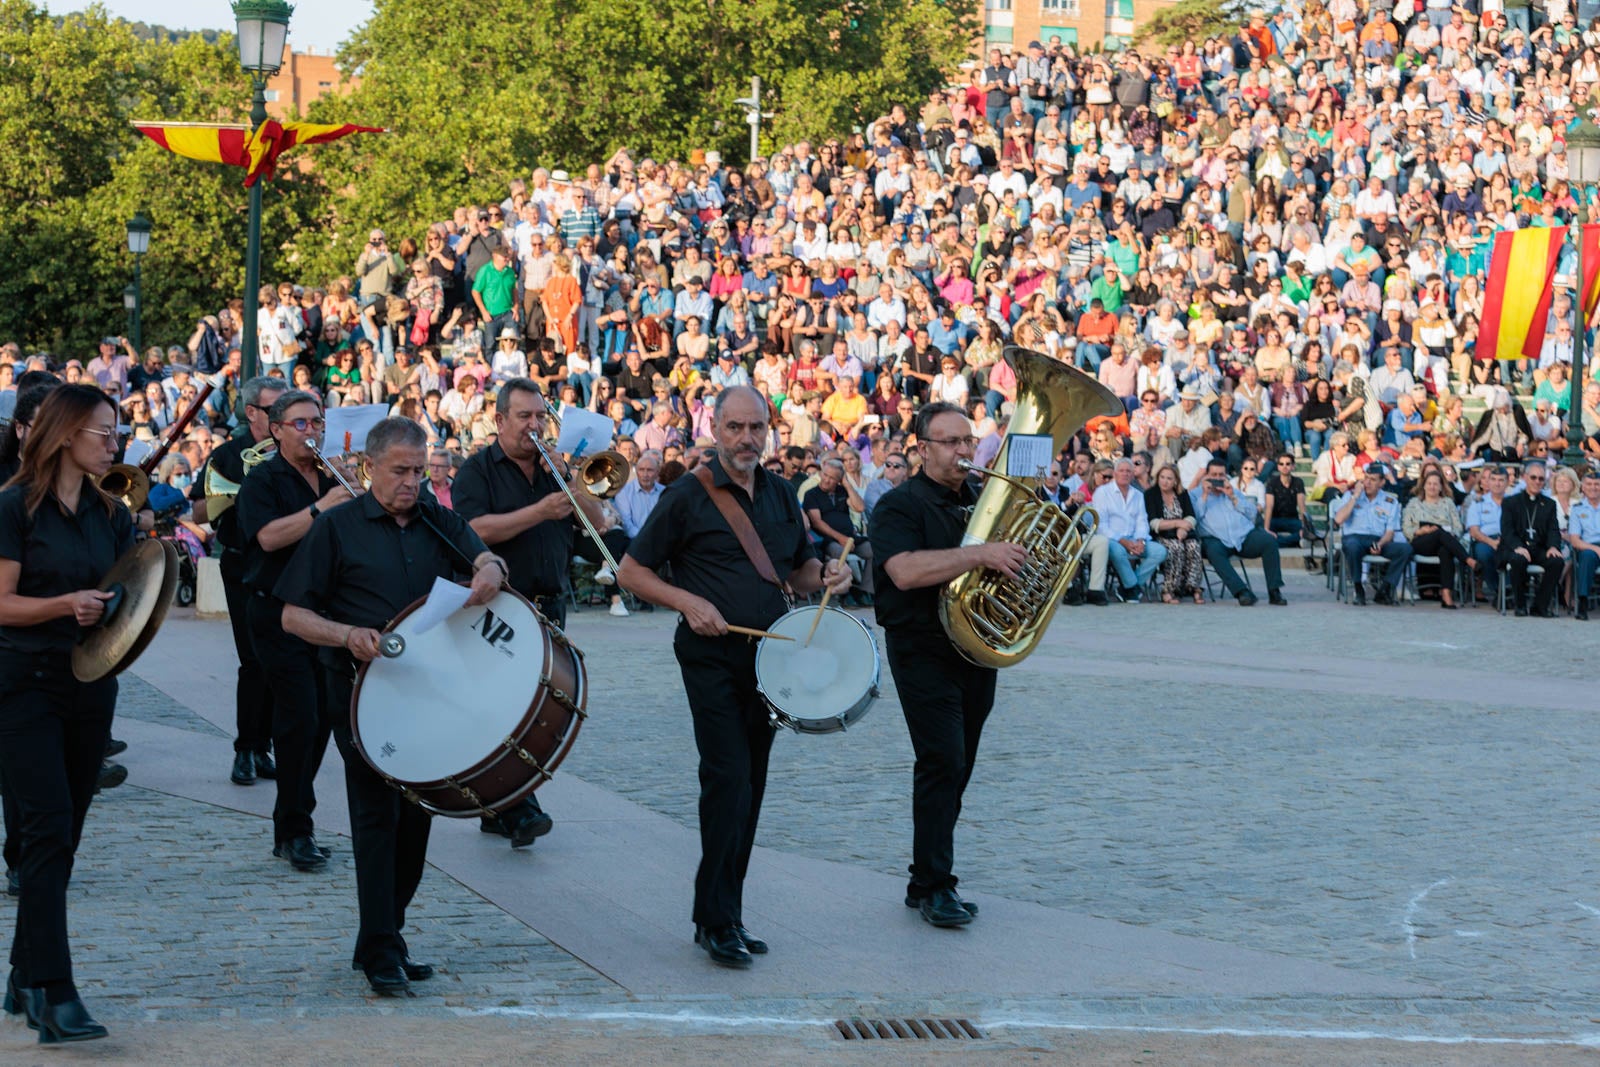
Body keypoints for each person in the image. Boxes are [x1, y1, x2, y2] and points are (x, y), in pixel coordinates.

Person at [617, 387, 850, 968]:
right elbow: (631, 571)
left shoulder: (779, 494)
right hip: (709, 657)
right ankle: (716, 918)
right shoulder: (686, 495)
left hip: (772, 660)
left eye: (757, 428)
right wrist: (687, 603)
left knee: (753, 785)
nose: (747, 438)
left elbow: (796, 567)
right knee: (729, 779)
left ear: (769, 430)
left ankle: (726, 914)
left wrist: (826, 575)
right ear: (715, 429)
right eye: (735, 427)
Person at [278, 417, 505, 996]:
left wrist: (488, 572)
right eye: (400, 471)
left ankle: (382, 935)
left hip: (428, 688)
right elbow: (292, 615)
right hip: (358, 690)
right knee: (377, 817)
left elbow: (488, 560)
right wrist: (347, 633)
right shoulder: (336, 528)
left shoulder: (438, 518)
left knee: (418, 819)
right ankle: (382, 949)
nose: (412, 482)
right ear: (368, 467)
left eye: (420, 471)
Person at [0, 384, 132, 1043]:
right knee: (47, 827)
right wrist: (64, 605)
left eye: (117, 430)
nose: (115, 441)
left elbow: (130, 599)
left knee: (64, 836)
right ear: (64, 434)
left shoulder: (112, 513)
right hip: (22, 683)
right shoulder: (12, 508)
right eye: (103, 431)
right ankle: (54, 990)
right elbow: (1, 604)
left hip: (90, 685)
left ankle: (24, 972)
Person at [867, 400, 1027, 927]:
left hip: (977, 647)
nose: (964, 452)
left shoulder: (983, 499)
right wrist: (981, 554)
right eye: (952, 442)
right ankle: (936, 885)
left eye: (968, 442)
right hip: (922, 648)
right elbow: (905, 572)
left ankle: (925, 879)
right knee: (942, 762)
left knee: (960, 764)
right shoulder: (899, 505)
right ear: (922, 448)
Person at [450, 378, 604, 848]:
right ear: (499, 420)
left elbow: (596, 526)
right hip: (502, 605)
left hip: (550, 603)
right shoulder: (478, 470)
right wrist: (540, 511)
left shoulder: (553, 469)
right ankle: (519, 808)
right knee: (504, 706)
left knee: (540, 710)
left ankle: (499, 807)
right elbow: (472, 530)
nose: (535, 426)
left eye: (541, 417)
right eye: (525, 417)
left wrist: (573, 481)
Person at [235, 390, 352, 872]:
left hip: (327, 615)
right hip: (276, 613)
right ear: (276, 429)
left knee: (322, 720)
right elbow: (267, 537)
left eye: (317, 423)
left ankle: (295, 822)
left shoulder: (335, 475)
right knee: (299, 719)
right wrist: (323, 508)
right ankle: (294, 831)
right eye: (300, 424)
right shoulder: (262, 481)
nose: (312, 432)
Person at [191, 375, 285, 787]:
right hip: (243, 563)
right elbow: (198, 511)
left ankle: (264, 747)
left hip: (289, 564)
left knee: (283, 662)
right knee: (254, 659)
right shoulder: (229, 455)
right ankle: (247, 749)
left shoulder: (297, 454)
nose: (285, 418)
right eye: (276, 410)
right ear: (252, 413)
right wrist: (247, 494)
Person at [1191, 457, 1288, 606]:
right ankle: (1242, 592)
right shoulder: (1196, 494)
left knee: (1269, 541)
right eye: (1214, 475)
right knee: (1213, 551)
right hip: (1215, 539)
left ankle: (1274, 591)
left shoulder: (1233, 491)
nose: (1217, 479)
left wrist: (1233, 497)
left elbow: (1252, 514)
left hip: (1243, 536)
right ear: (1206, 476)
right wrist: (1205, 495)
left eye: (1221, 475)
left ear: (1226, 476)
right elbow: (1195, 518)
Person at [1333, 463, 1412, 606]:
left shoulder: (1390, 501)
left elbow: (1390, 532)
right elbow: (1338, 520)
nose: (1367, 483)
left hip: (1378, 539)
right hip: (1354, 538)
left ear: (1382, 483)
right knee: (1352, 546)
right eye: (1366, 478)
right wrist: (1355, 497)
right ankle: (1359, 588)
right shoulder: (1351, 496)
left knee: (1405, 549)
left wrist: (1380, 544)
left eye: (1373, 480)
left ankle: (1385, 590)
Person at [1091, 458, 1167, 599]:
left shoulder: (1137, 495)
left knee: (1160, 551)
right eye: (1121, 471)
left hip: (1134, 538)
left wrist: (1140, 540)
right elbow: (1101, 526)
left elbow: (1142, 521)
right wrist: (1122, 541)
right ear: (1114, 473)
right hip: (1112, 539)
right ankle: (1132, 587)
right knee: (1118, 551)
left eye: (1128, 471)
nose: (1125, 474)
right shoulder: (1102, 492)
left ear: (1133, 475)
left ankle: (1129, 586)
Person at [1401, 468, 1473, 609]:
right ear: (1424, 485)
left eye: (1436, 484)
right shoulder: (1414, 503)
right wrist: (1420, 530)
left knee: (1445, 548)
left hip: (1445, 542)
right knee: (1440, 534)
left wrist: (1453, 534)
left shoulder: (1448, 503)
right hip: (1421, 542)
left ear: (1441, 486)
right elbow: (1406, 528)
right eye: (1429, 483)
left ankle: (1446, 596)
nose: (1432, 487)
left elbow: (1458, 527)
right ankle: (1467, 559)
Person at [1500, 461, 1563, 617]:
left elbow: (1553, 529)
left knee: (1557, 561)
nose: (1537, 482)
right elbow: (1507, 530)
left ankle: (1539, 606)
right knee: (1518, 559)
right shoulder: (1510, 502)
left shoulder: (1549, 504)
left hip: (1539, 548)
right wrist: (1518, 547)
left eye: (1541, 479)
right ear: (1524, 477)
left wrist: (1553, 547)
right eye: (1533, 477)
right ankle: (1520, 605)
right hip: (1517, 547)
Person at [1145, 463, 1204, 604]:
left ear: (1175, 481)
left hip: (1183, 533)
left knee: (1193, 546)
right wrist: (1178, 523)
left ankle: (1193, 587)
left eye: (1169, 478)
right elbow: (1153, 523)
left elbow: (1191, 516)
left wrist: (1184, 528)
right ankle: (1169, 589)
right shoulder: (1150, 494)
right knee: (1175, 547)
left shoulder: (1182, 493)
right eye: (1162, 477)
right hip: (1162, 535)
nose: (1165, 481)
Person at [1566, 470, 1600, 620]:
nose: (1593, 487)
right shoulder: (1577, 509)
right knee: (1586, 557)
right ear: (1583, 487)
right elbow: (1574, 540)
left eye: (1597, 484)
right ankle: (1583, 602)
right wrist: (1596, 549)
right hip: (1588, 547)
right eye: (1589, 484)